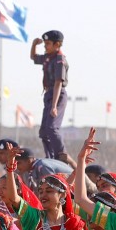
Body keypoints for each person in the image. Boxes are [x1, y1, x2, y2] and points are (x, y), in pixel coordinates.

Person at [30, 30, 76, 168]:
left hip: (58, 95)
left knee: (52, 128)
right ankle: (49, 157)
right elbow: (33, 57)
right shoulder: (48, 57)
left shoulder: (59, 60)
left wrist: (54, 106)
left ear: (57, 44)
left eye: (48, 43)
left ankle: (61, 155)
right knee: (43, 131)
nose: (45, 46)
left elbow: (58, 83)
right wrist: (34, 44)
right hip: (49, 95)